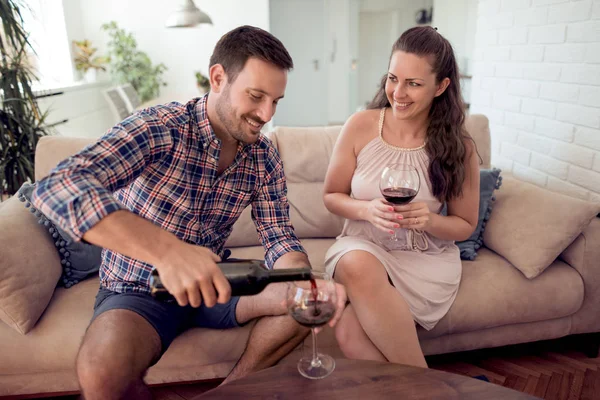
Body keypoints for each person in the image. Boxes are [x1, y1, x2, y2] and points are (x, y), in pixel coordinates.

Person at [31, 25, 346, 400]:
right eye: (256, 96)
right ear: (218, 78)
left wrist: (301, 280)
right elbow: (58, 186)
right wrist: (168, 252)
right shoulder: (159, 128)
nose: (266, 114)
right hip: (140, 290)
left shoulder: (264, 156)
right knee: (101, 374)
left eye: (276, 101)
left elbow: (279, 236)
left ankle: (228, 393)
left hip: (217, 285)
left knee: (304, 305)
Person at [322, 26, 480, 368]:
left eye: (414, 83)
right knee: (357, 264)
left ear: (441, 86)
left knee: (349, 333)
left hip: (423, 258)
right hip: (364, 247)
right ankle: (430, 387)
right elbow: (332, 195)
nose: (398, 93)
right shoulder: (360, 125)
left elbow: (465, 225)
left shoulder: (461, 147)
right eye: (393, 78)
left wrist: (431, 219)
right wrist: (365, 210)